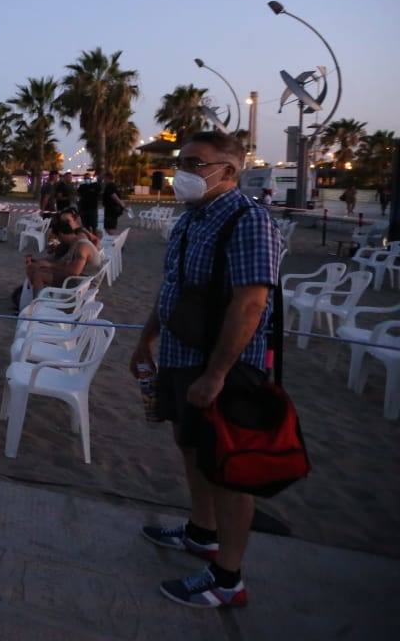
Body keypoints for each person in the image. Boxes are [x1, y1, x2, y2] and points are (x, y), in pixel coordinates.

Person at [130, 130, 283, 609]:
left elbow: (251, 304)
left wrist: (216, 374)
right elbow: (173, 286)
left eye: (197, 163)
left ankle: (227, 578)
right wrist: (146, 337)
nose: (184, 171)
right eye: (184, 161)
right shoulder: (192, 219)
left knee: (228, 467)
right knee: (190, 444)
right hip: (179, 355)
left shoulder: (248, 221)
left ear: (229, 171)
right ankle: (202, 532)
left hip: (227, 368)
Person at [24, 215, 102, 292]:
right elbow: (62, 261)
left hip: (83, 284)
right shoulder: (74, 241)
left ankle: (38, 302)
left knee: (39, 275)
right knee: (35, 268)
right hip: (79, 278)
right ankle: (42, 295)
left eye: (58, 239)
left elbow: (74, 271)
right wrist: (40, 262)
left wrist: (50, 265)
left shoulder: (82, 247)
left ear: (61, 234)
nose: (58, 242)